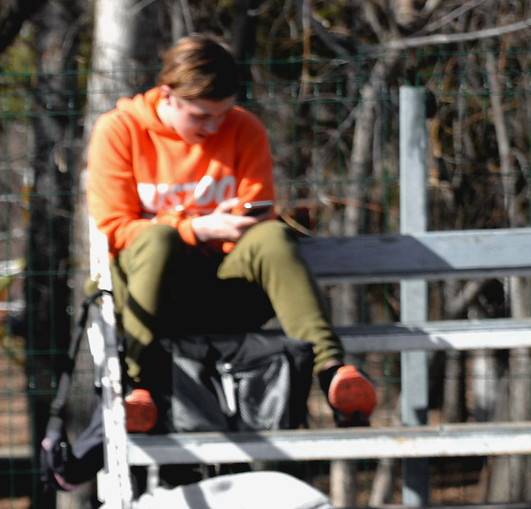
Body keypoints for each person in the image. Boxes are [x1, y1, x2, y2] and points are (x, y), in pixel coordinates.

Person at [87, 34, 379, 432]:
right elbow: (115, 229)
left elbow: (255, 215)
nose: (214, 126)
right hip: (151, 295)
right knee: (158, 239)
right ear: (168, 95)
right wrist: (196, 227)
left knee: (273, 236)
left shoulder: (245, 130)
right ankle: (139, 388)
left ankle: (333, 374)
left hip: (225, 291)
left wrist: (229, 228)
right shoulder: (120, 130)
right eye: (201, 116)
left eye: (222, 115)